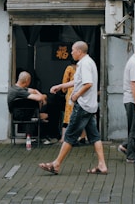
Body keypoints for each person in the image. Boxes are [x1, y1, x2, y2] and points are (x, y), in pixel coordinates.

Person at [38, 41, 108, 175]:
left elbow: (88, 84)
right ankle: (102, 165)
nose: (71, 53)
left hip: (83, 105)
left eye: (72, 50)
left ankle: (56, 164)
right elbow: (78, 81)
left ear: (79, 51)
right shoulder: (87, 62)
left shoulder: (84, 64)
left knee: (69, 135)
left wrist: (75, 96)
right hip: (90, 106)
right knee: (94, 136)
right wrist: (61, 86)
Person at [7, 71, 47, 140]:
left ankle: (37, 135)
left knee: (43, 113)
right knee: (48, 114)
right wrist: (43, 97)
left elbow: (34, 90)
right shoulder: (20, 91)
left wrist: (41, 96)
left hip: (18, 113)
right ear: (27, 80)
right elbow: (39, 98)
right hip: (22, 114)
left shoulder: (15, 88)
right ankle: (43, 136)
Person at [60, 61, 87, 143]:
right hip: (81, 92)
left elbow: (65, 82)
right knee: (80, 115)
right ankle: (83, 136)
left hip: (71, 93)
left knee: (68, 116)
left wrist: (64, 90)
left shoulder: (69, 68)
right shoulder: (83, 68)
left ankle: (64, 138)